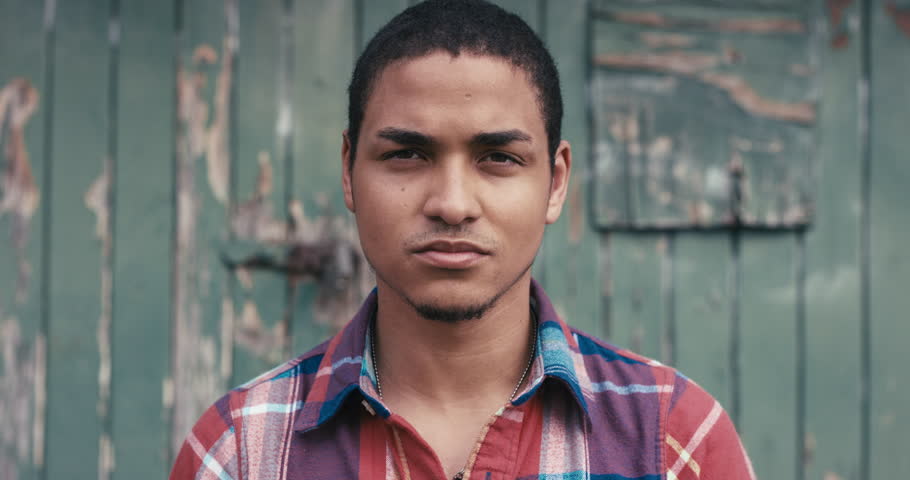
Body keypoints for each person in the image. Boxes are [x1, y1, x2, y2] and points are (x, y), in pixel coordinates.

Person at [170, 1, 755, 478]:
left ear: (555, 182)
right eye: (406, 154)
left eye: (498, 157)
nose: (452, 203)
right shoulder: (242, 450)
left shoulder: (674, 442)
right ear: (349, 171)